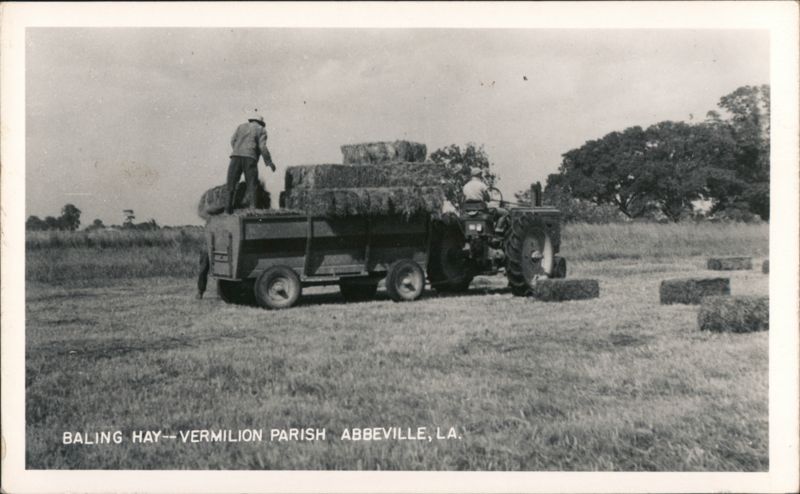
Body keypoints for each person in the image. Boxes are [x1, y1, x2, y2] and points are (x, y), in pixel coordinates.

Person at [226, 112, 277, 214]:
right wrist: (269, 162)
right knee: (252, 184)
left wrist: (238, 150)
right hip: (250, 158)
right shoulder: (261, 130)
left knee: (231, 183)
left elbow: (232, 140)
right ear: (261, 122)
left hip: (235, 157)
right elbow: (262, 147)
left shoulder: (241, 127)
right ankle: (253, 210)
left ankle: (227, 210)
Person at [461, 167, 509, 233]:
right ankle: (498, 228)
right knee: (505, 213)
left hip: (469, 210)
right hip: (481, 209)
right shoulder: (482, 185)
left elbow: (463, 199)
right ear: (479, 175)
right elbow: (488, 199)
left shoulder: (465, 186)